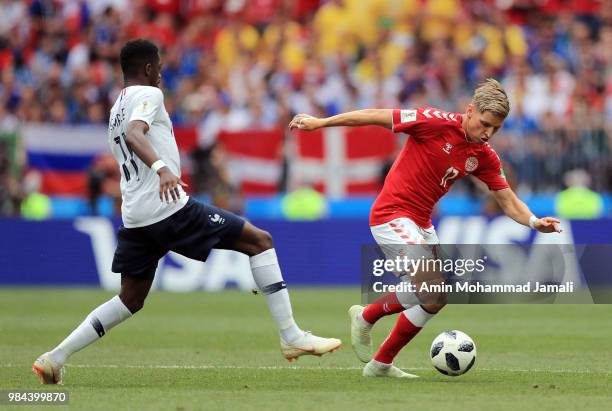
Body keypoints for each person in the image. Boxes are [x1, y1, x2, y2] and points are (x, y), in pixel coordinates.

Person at [32, 39, 341, 385]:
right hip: (167, 208)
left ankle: (55, 357)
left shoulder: (116, 105)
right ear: (148, 68)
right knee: (260, 241)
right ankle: (291, 335)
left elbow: (130, 136)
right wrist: (164, 168)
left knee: (130, 298)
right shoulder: (149, 95)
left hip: (136, 216)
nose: (162, 72)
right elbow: (137, 134)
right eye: (159, 66)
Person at [289, 78, 561, 378]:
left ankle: (380, 364)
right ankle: (366, 317)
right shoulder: (434, 121)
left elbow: (508, 201)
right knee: (429, 285)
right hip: (391, 215)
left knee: (436, 298)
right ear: (469, 111)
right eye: (484, 124)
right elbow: (376, 115)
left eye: (496, 129)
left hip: (421, 222)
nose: (488, 133)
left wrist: (535, 222)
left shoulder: (484, 156)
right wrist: (321, 122)